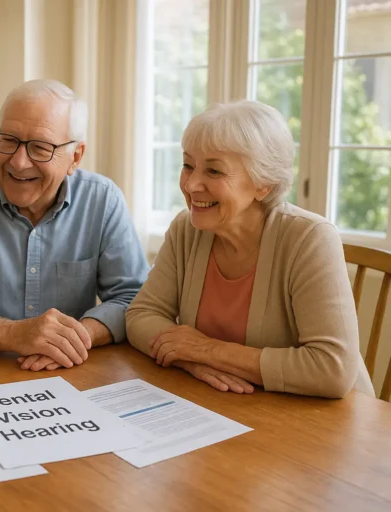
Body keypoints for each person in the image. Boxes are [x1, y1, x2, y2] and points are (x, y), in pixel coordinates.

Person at [126, 100, 374, 399]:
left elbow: (332, 369)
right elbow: (141, 315)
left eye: (214, 171)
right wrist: (189, 360)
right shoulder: (186, 229)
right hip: (230, 405)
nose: (191, 185)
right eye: (188, 166)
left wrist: (209, 351)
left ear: (263, 184)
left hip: (324, 417)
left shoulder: (310, 238)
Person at [0, 79, 150, 371]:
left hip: (66, 372)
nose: (19, 162)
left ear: (75, 157)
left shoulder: (103, 200)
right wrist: (13, 334)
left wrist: (70, 339)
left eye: (40, 148)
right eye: (8, 140)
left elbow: (133, 299)